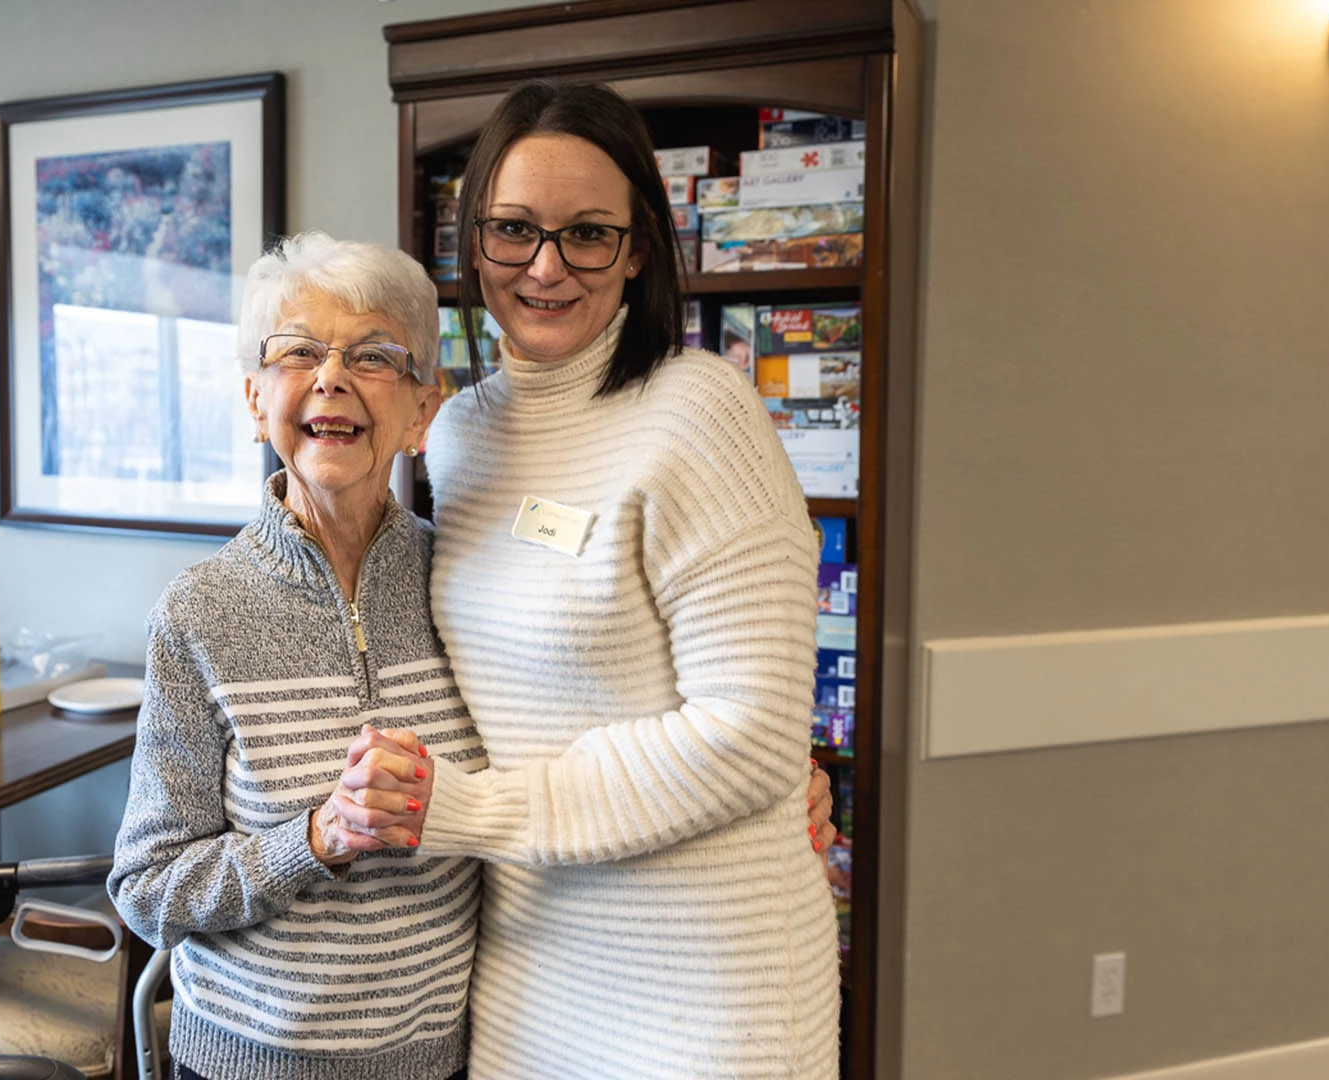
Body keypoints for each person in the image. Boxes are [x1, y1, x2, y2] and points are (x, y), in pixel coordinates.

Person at [336, 80, 842, 1079]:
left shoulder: (700, 411)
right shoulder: (461, 433)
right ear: (472, 243)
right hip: (528, 972)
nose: (547, 267)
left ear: (641, 247)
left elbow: (748, 736)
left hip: (706, 986)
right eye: (514, 230)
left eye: (589, 234)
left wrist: (472, 810)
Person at [107, 231, 481, 1080]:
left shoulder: (472, 583)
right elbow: (145, 888)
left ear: (423, 408)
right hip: (246, 1064)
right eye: (300, 351)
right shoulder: (199, 612)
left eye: (376, 355)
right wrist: (316, 837)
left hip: (442, 1061)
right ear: (254, 396)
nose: (332, 377)